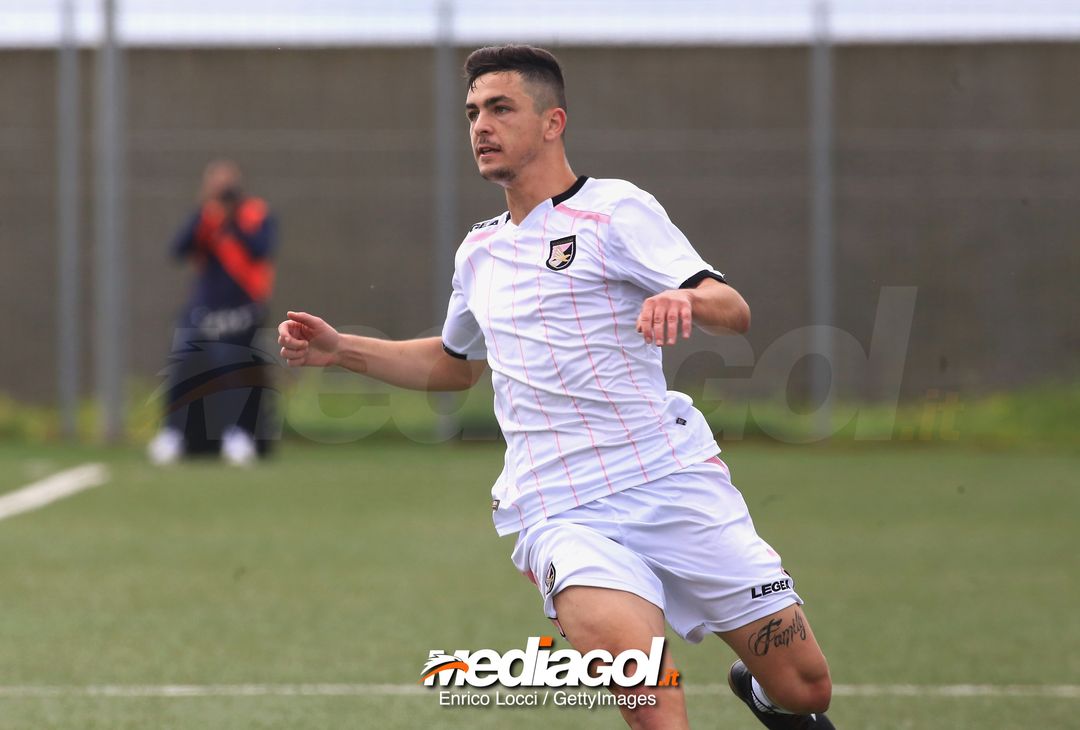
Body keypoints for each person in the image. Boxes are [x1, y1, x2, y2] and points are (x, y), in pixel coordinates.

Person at [278, 45, 834, 729]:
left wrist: (685, 303)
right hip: (561, 511)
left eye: (501, 108)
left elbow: (732, 306)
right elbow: (454, 364)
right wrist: (341, 350)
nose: (481, 125)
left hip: (671, 480)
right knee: (653, 697)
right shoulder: (479, 251)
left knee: (807, 689)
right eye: (473, 112)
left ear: (553, 122)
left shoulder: (616, 212)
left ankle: (763, 692)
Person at [148, 160, 279, 466]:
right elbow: (178, 249)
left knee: (233, 363)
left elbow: (261, 249)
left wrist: (231, 220)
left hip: (243, 308)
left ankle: (238, 434)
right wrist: (204, 216)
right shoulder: (205, 217)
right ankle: (173, 434)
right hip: (205, 309)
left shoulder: (255, 214)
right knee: (183, 361)